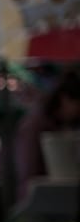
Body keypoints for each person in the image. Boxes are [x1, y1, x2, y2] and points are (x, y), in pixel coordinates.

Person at [15, 66, 80, 198]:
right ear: (65, 99)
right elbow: (30, 171)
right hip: (41, 197)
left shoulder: (59, 124)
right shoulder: (35, 125)